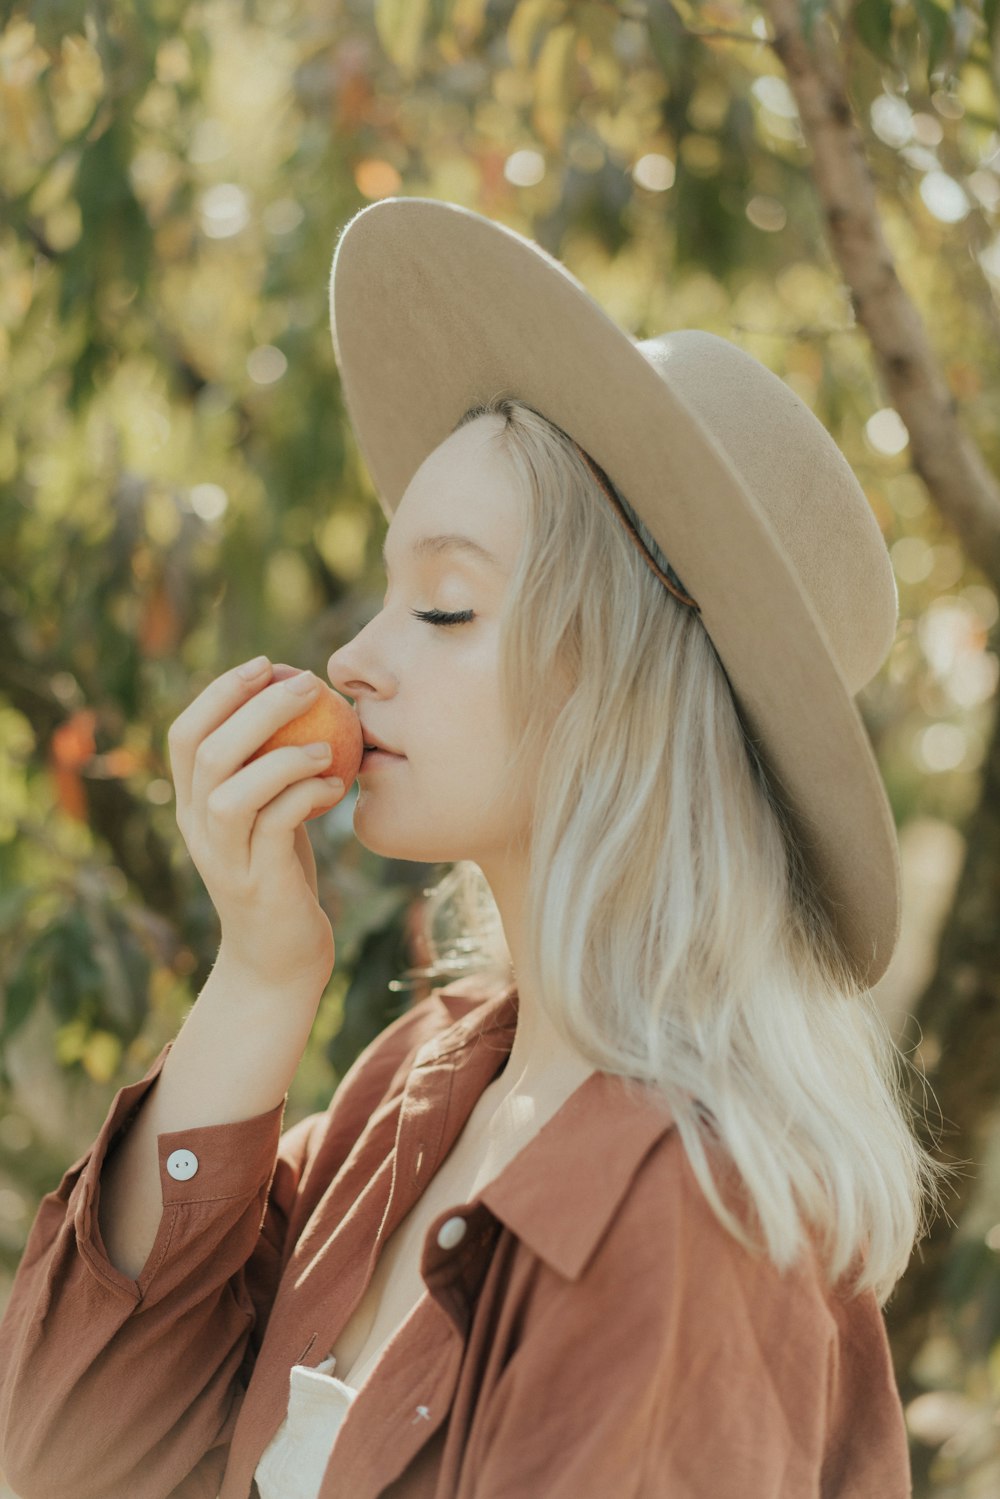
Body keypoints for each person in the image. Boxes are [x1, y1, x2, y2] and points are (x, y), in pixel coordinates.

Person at [0, 198, 953, 1499]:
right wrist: (263, 977)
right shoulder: (426, 1082)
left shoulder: (687, 1219)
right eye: (392, 590)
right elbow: (66, 1454)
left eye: (444, 604)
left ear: (629, 694)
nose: (354, 657)